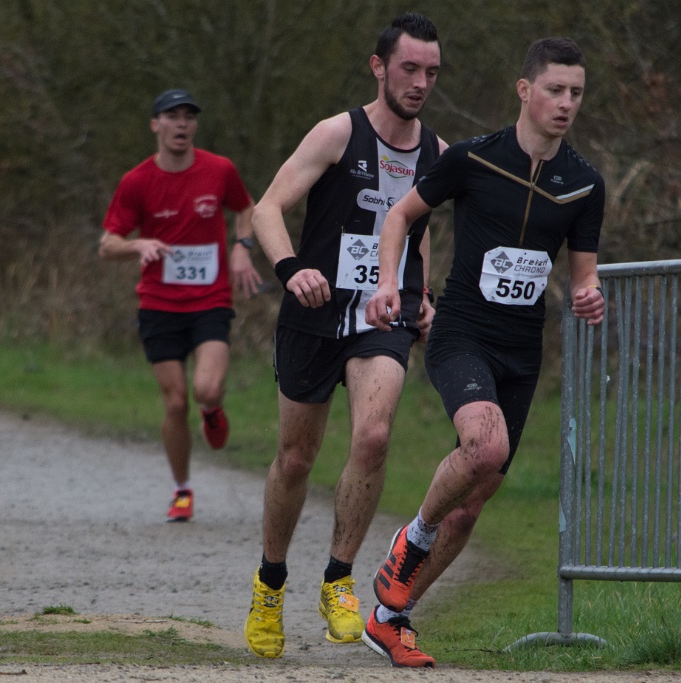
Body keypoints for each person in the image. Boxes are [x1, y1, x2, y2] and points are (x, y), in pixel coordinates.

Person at [363, 37, 607, 667]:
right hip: (462, 335)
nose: (566, 103)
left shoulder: (584, 184)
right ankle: (411, 539)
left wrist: (590, 296)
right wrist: (389, 283)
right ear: (525, 91)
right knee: (486, 446)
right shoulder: (472, 159)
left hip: (521, 353)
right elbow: (398, 217)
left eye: (576, 93)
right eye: (555, 89)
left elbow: (584, 274)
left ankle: (390, 618)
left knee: (470, 509)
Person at [243, 13, 448, 660]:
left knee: (374, 435)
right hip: (315, 312)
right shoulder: (338, 132)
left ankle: (339, 577)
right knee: (295, 458)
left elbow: (420, 234)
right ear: (378, 67)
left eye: (431, 72)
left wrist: (424, 297)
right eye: (409, 68)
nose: (420, 83)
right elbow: (266, 208)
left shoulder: (437, 154)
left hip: (382, 317)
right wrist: (291, 268)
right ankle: (270, 582)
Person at [99, 88, 261, 523]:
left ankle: (212, 410)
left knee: (206, 389)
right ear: (156, 125)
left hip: (210, 300)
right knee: (174, 403)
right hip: (159, 304)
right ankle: (182, 490)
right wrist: (138, 245)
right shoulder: (136, 181)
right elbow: (107, 244)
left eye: (189, 116)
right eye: (172, 116)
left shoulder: (219, 170)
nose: (182, 124)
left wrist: (242, 247)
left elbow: (246, 208)